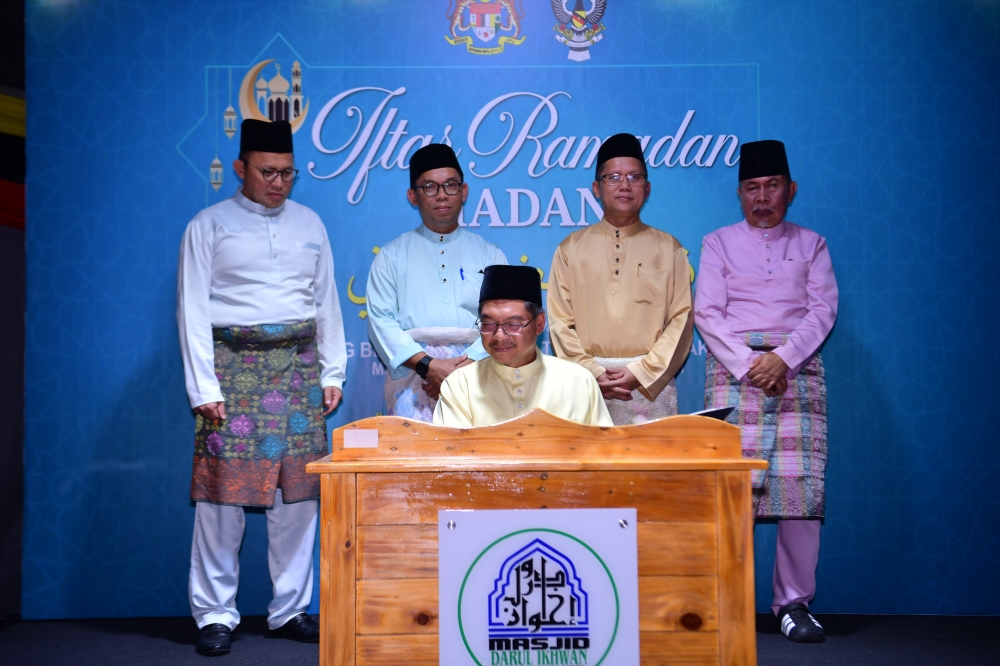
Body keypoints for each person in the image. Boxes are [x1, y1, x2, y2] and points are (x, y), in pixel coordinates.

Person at [176, 119, 347, 656]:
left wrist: (332, 371)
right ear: (240, 169)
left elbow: (326, 305)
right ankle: (215, 614)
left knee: (298, 497)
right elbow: (192, 309)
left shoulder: (310, 222)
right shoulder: (208, 225)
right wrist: (203, 385)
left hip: (297, 369)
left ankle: (289, 609)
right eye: (268, 172)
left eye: (287, 174)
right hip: (231, 372)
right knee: (221, 499)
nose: (278, 183)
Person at [694, 139, 838, 643]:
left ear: (790, 190)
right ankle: (723, 597)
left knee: (799, 492)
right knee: (733, 490)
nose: (762, 197)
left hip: (796, 369)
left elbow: (822, 310)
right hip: (737, 371)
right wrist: (752, 364)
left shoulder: (812, 243)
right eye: (752, 188)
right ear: (739, 194)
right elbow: (706, 313)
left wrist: (784, 358)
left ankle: (793, 605)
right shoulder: (717, 243)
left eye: (772, 186)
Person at [547, 133, 693, 425]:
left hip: (650, 385)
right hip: (589, 385)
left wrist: (640, 372)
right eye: (613, 177)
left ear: (647, 188)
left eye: (634, 177)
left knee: (651, 469)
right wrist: (593, 372)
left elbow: (681, 319)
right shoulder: (570, 248)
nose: (624, 185)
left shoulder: (669, 248)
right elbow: (559, 322)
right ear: (596, 188)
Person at [367, 143, 507, 421]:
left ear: (464, 191)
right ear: (413, 196)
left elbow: (502, 319)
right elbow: (380, 321)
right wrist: (428, 366)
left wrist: (464, 366)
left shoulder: (490, 254)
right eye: (429, 186)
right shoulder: (391, 255)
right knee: (412, 459)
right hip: (412, 376)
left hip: (476, 373)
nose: (441, 195)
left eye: (450, 185)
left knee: (476, 459)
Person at [433, 265, 612, 427]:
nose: (499, 336)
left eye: (513, 324)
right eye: (489, 324)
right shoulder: (460, 384)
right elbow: (453, 455)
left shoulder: (579, 381)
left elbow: (603, 453)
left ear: (540, 323)